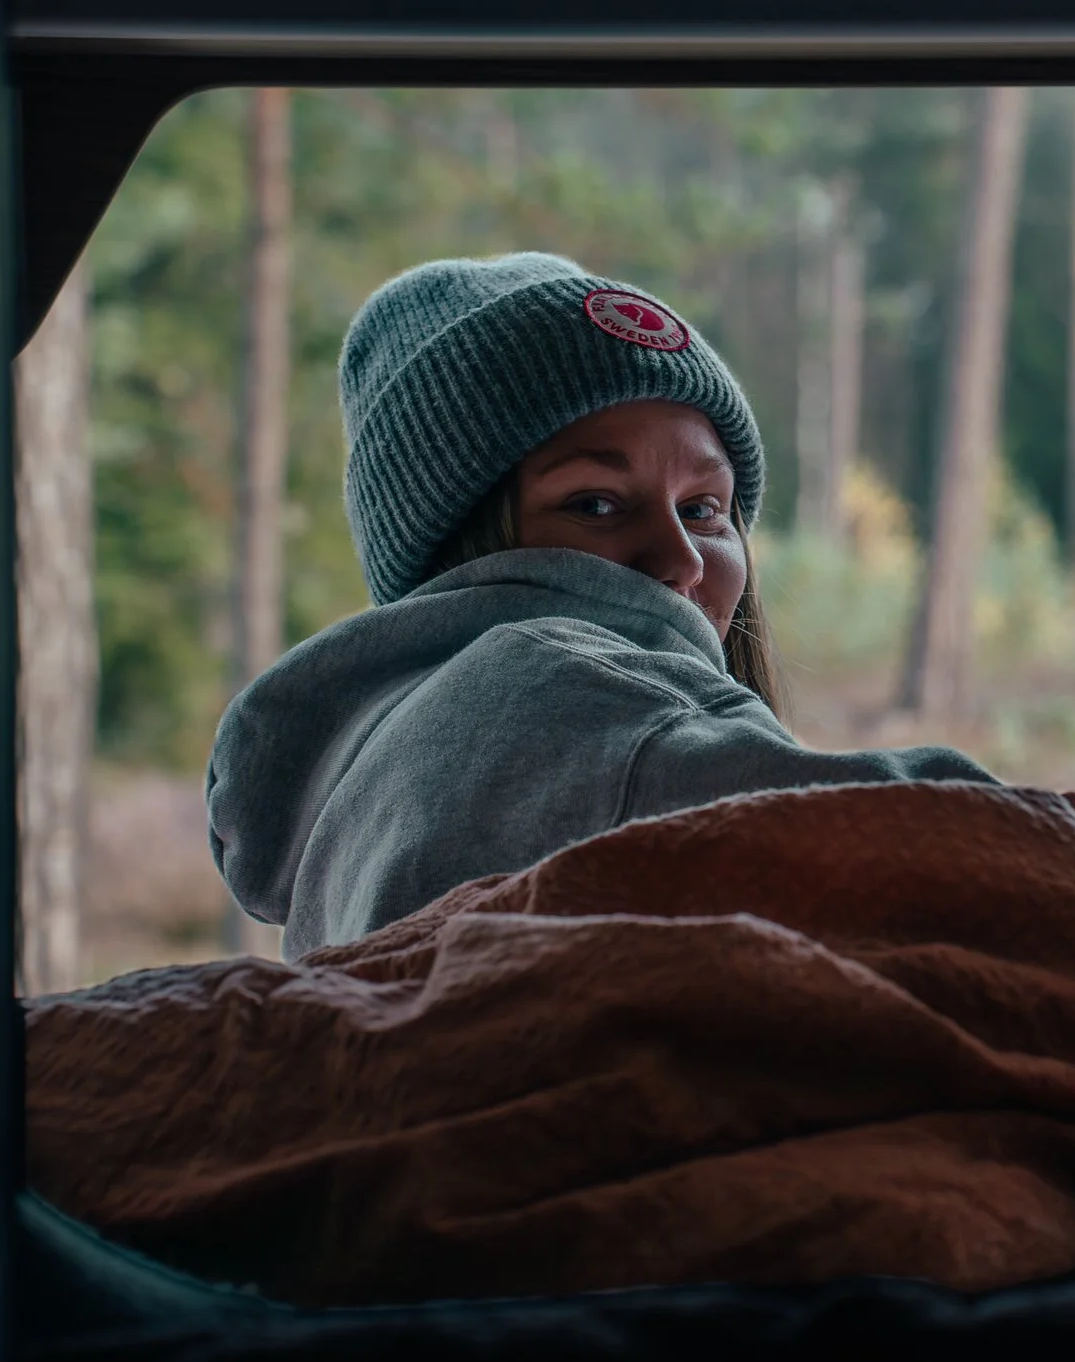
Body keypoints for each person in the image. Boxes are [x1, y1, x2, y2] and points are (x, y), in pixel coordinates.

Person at [209, 253, 994, 958]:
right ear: (462, 547)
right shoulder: (555, 691)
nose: (681, 560)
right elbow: (962, 848)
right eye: (594, 503)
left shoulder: (366, 782)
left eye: (703, 508)